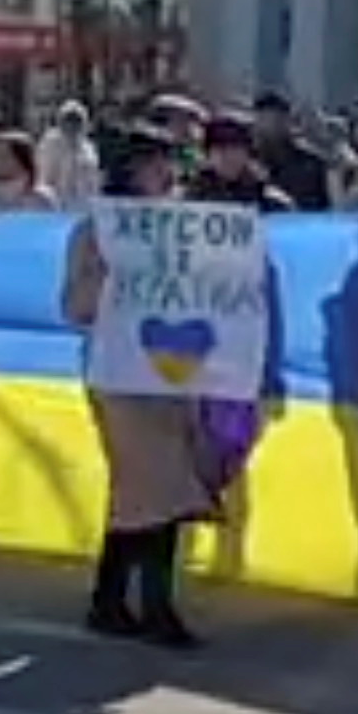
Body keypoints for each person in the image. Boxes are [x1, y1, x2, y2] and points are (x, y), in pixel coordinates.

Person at [61, 129, 218, 646]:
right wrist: (115, 278)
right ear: (131, 170)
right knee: (154, 485)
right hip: (119, 373)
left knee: (148, 490)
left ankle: (110, 600)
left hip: (172, 370)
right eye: (156, 165)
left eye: (170, 165)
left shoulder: (182, 227)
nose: (167, 176)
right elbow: (74, 306)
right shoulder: (97, 230)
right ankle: (155, 607)